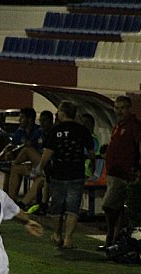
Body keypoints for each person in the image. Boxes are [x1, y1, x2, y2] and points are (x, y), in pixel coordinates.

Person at [38, 101, 95, 249]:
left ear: (62, 113)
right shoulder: (82, 130)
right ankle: (68, 238)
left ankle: (57, 234)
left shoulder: (55, 130)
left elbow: (47, 153)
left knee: (57, 206)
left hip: (59, 174)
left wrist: (39, 167)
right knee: (73, 207)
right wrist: (93, 165)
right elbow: (91, 152)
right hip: (76, 173)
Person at [99, 96, 141, 249]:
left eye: (122, 108)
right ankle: (114, 239)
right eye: (117, 108)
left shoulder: (134, 124)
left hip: (123, 174)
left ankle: (111, 234)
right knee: (117, 207)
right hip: (113, 173)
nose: (119, 111)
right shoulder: (119, 125)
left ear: (129, 109)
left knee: (108, 205)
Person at [4, 107, 43, 203]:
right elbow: (12, 145)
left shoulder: (39, 131)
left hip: (40, 166)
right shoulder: (20, 131)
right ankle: (11, 201)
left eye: (22, 118)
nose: (19, 120)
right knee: (15, 168)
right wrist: (8, 152)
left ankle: (26, 202)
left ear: (29, 119)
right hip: (29, 166)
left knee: (27, 149)